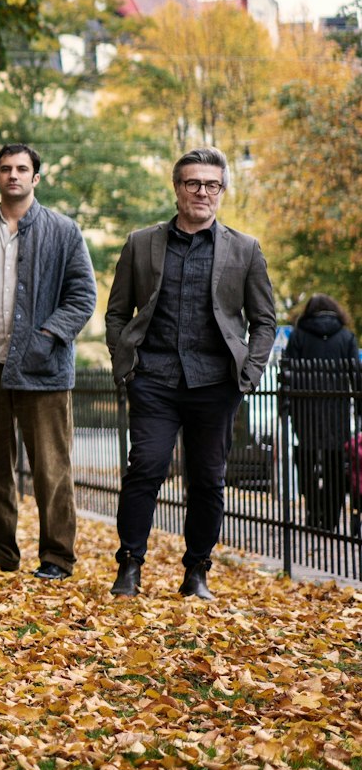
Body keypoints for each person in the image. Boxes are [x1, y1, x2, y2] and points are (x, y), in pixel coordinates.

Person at [106, 147, 276, 600]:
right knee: (144, 468)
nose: (202, 192)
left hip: (215, 384)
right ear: (178, 188)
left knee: (207, 479)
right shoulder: (141, 243)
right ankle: (130, 566)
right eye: (193, 183)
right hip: (154, 379)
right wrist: (125, 366)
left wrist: (250, 372)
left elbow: (264, 321)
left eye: (212, 185)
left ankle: (197, 571)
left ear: (221, 191)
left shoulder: (245, 249)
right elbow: (118, 312)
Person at [0, 144, 95, 581]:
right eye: (6, 169)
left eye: (22, 169)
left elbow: (82, 296)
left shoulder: (64, 231)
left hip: (42, 367)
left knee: (51, 468)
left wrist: (47, 337)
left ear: (36, 178)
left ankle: (57, 557)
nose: (14, 175)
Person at [279, 295, 358, 533]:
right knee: (335, 464)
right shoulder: (346, 337)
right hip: (337, 410)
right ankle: (331, 517)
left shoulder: (299, 336)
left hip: (306, 411)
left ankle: (314, 511)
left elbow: (288, 372)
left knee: (306, 461)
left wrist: (287, 406)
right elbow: (356, 374)